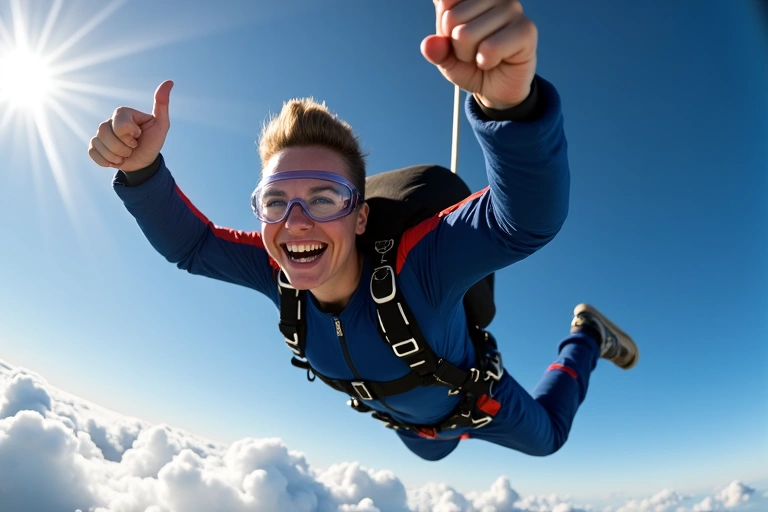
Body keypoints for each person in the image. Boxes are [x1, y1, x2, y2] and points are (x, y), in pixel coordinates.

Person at [88, 0, 638, 461]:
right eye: (275, 201)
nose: (294, 222)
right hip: (411, 427)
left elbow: (522, 221)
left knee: (549, 440)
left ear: (360, 214)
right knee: (432, 451)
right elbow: (193, 245)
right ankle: (436, 432)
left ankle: (585, 336)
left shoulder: (421, 265)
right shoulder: (275, 269)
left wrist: (510, 108)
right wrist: (140, 170)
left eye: (323, 198)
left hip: (475, 404)